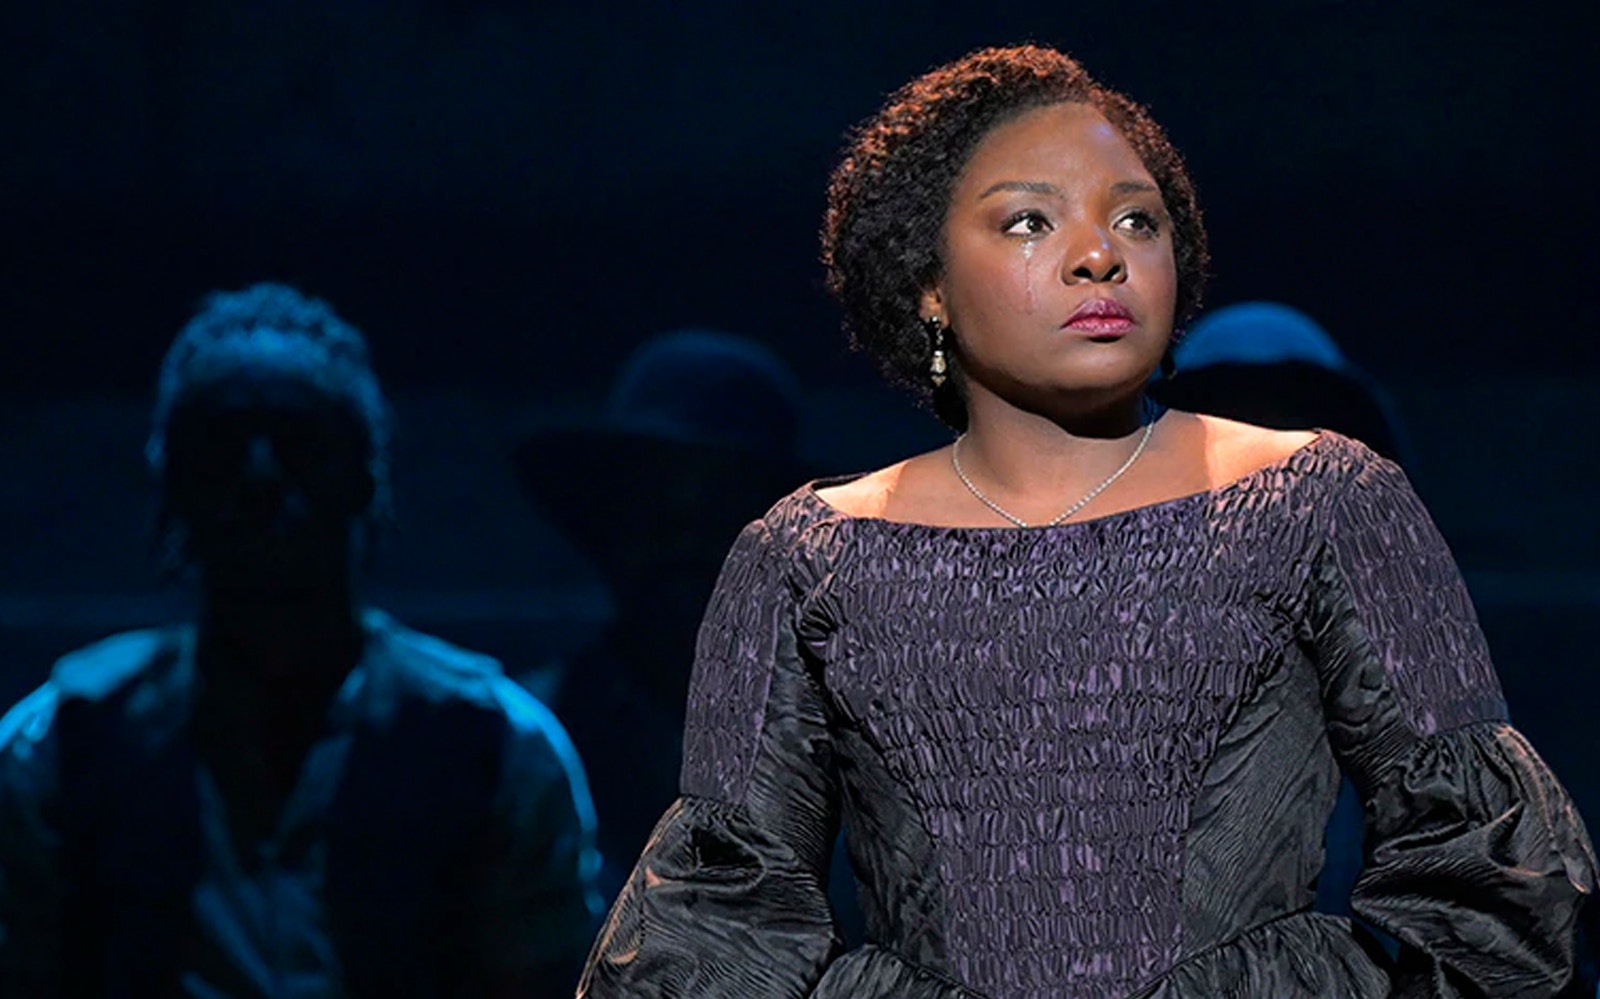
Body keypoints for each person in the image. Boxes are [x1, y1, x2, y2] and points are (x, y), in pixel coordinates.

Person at [577, 45, 1596, 999]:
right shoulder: (806, 560)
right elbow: (721, 916)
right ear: (927, 282)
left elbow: (1487, 872)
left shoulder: (1321, 502)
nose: (1097, 257)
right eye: (1029, 222)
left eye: (1136, 221)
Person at [0, 283, 601, 997]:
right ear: (172, 487)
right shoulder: (59, 744)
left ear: (366, 479)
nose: (260, 476)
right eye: (220, 445)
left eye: (301, 442)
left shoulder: (496, 744)